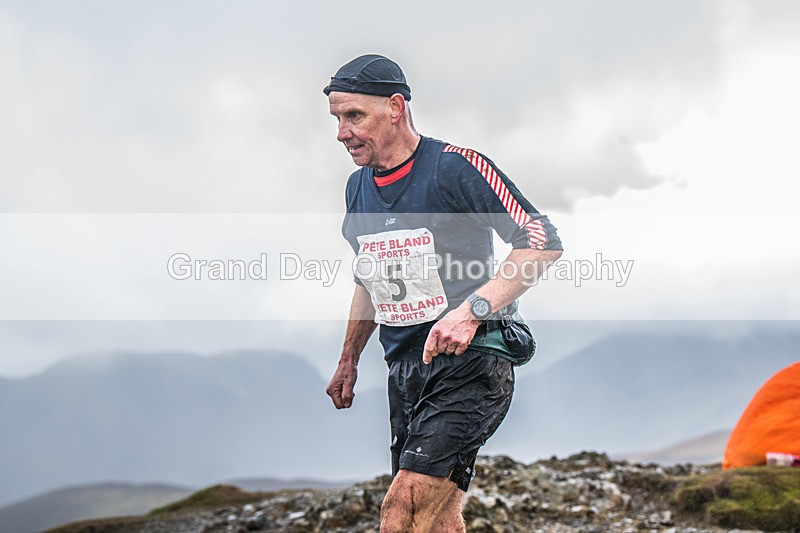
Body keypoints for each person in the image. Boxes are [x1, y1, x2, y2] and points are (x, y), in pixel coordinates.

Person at [324, 54, 563, 532]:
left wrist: (471, 312)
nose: (342, 133)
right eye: (336, 119)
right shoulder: (357, 188)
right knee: (437, 520)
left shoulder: (456, 167)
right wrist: (348, 358)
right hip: (406, 369)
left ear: (395, 107)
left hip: (472, 359)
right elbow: (368, 277)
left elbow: (540, 241)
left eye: (354, 116)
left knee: (403, 509)